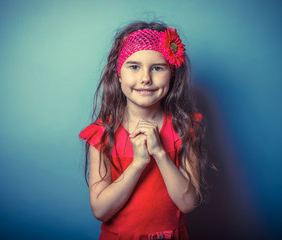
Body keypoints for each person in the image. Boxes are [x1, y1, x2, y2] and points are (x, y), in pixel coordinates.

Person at [79, 21, 208, 240]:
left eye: (157, 68)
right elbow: (100, 210)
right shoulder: (102, 134)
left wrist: (159, 153)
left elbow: (187, 203)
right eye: (134, 66)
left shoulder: (185, 128)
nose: (145, 78)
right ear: (119, 74)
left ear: (172, 74)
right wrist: (138, 164)